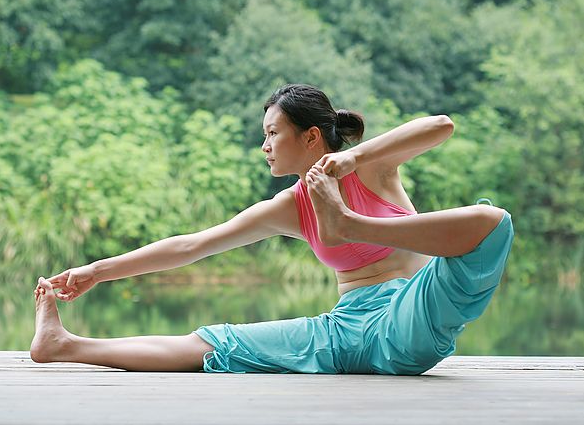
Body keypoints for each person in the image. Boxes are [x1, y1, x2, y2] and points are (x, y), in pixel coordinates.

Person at [31, 83, 513, 375]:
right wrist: (97, 270)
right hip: (341, 334)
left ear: (309, 137)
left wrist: (351, 158)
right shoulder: (290, 206)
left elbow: (441, 126)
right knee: (213, 344)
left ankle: (351, 223)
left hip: (409, 314)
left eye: (271, 133)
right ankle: (64, 345)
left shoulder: (372, 169)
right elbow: (192, 246)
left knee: (494, 223)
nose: (264, 145)